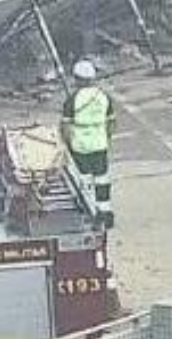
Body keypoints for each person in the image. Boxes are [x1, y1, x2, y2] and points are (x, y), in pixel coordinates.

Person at [62, 60, 115, 228]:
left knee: (84, 180)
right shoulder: (103, 97)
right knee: (102, 178)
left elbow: (65, 126)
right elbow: (111, 122)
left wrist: (66, 143)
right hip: (100, 143)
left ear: (77, 79)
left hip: (80, 145)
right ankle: (105, 212)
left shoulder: (72, 99)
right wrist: (106, 138)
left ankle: (91, 213)